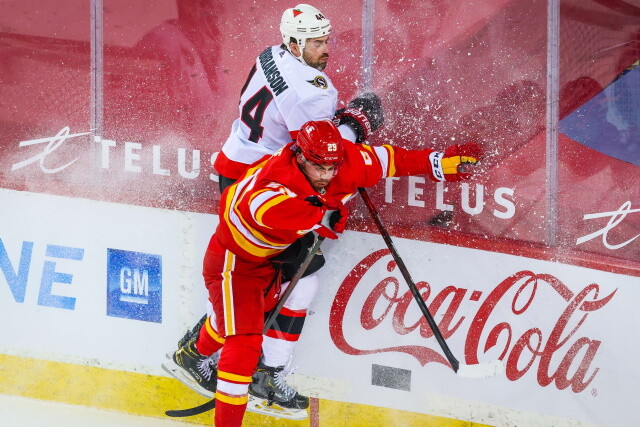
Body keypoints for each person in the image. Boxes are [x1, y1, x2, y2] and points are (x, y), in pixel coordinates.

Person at [161, 3, 385, 418]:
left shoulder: (272, 54)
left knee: (263, 282)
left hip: (238, 170)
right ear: (295, 42)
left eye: (325, 39)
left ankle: (200, 352)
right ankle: (260, 371)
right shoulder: (313, 91)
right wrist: (355, 125)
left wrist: (339, 121)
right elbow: (316, 149)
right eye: (317, 42)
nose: (326, 49)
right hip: (270, 190)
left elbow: (299, 124)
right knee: (296, 284)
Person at [198, 118, 480, 426]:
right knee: (245, 343)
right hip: (235, 263)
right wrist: (327, 213)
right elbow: (281, 213)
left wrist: (440, 163)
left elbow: (389, 160)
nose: (327, 175)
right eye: (320, 168)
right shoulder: (270, 188)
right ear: (300, 156)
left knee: (258, 312)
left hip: (273, 258)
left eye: (333, 168)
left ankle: (194, 352)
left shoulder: (342, 159)